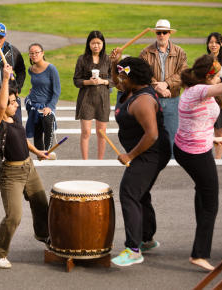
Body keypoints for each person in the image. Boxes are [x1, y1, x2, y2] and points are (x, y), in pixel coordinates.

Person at [174, 46, 222, 271]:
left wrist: (211, 139)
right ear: (208, 76)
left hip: (190, 147)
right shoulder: (198, 90)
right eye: (216, 75)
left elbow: (196, 121)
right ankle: (199, 254)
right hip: (195, 153)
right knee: (211, 203)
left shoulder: (195, 90)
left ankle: (200, 243)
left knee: (203, 193)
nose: (220, 79)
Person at [0, 63, 49, 269]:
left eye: (16, 101)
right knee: (14, 217)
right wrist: (4, 79)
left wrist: (38, 152)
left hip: (29, 168)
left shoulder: (13, 119)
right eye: (12, 102)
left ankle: (44, 236)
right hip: (11, 174)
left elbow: (22, 141)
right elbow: (1, 107)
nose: (16, 105)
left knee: (41, 205)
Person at [108, 55, 171, 267]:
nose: (120, 79)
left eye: (124, 75)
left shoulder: (143, 100)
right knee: (140, 194)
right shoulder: (130, 89)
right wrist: (113, 63)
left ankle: (133, 249)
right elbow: (117, 81)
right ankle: (146, 239)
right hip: (146, 152)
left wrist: (130, 155)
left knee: (129, 192)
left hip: (150, 153)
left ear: (134, 77)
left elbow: (152, 134)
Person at [139, 19, 188, 155]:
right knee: (151, 135)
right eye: (159, 32)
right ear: (155, 34)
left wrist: (166, 84)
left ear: (169, 34)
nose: (161, 35)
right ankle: (153, 163)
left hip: (173, 99)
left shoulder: (180, 52)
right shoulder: (145, 52)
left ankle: (172, 165)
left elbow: (183, 73)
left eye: (164, 32)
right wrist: (157, 87)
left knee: (173, 136)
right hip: (151, 100)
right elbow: (143, 74)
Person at [74, 30, 113, 160]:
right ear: (88, 44)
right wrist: (88, 82)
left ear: (103, 44)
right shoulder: (82, 59)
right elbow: (76, 80)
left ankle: (100, 160)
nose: (96, 46)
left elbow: (115, 81)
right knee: (85, 132)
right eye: (93, 43)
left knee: (101, 133)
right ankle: (85, 160)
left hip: (103, 99)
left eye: (98, 43)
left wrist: (103, 81)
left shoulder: (108, 59)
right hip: (86, 98)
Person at [25, 43, 61, 151]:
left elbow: (57, 91)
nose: (34, 55)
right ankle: (40, 157)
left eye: (37, 52)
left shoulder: (51, 69)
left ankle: (47, 153)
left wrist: (50, 107)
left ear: (42, 53)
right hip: (33, 105)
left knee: (48, 129)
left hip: (47, 106)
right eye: (31, 53)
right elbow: (37, 84)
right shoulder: (31, 69)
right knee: (37, 134)